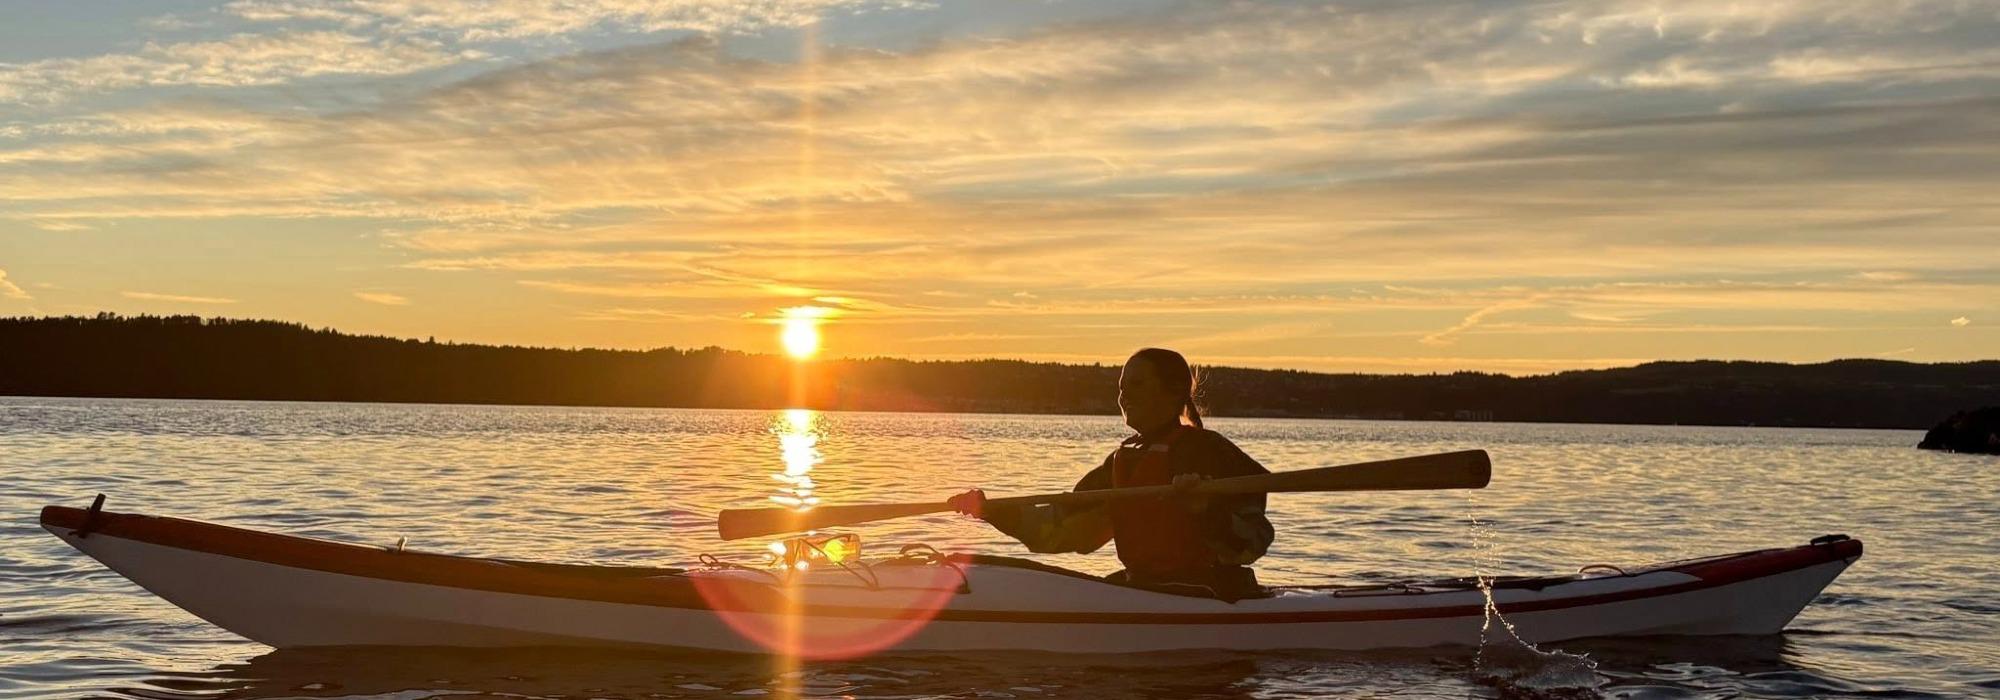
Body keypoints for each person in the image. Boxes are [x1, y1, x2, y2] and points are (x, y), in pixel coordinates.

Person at [947, 348, 1275, 599]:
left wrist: (1205, 510)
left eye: (1137, 384)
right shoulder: (1123, 461)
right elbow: (1058, 530)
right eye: (1121, 388)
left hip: (1209, 593)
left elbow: (1254, 541)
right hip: (1145, 589)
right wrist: (991, 511)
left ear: (1174, 391)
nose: (1124, 396)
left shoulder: (1210, 451)